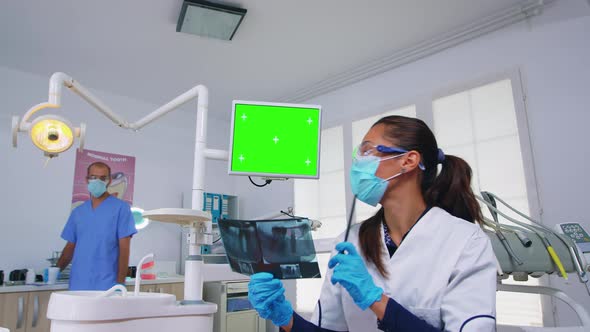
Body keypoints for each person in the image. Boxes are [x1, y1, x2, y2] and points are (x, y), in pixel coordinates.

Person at [248, 116, 497, 331]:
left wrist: (375, 300)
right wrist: (284, 317)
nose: (357, 163)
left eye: (367, 151)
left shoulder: (466, 242)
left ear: (408, 161)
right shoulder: (350, 241)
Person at [56, 161, 137, 290]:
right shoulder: (78, 212)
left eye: (103, 178)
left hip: (108, 284)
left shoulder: (121, 208)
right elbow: (70, 247)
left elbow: (124, 249)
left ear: (109, 181)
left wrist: (120, 284)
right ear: (87, 179)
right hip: (79, 282)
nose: (98, 181)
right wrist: (55, 271)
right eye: (93, 177)